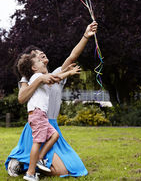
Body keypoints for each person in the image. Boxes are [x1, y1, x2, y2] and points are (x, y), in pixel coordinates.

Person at [5, 21, 98, 177]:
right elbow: (21, 98)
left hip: (52, 128)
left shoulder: (56, 75)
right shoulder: (29, 78)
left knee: (74, 168)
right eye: (36, 53)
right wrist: (38, 80)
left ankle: (32, 164)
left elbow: (73, 55)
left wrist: (86, 35)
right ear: (33, 64)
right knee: (59, 170)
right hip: (36, 126)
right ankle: (22, 162)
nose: (40, 53)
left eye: (41, 52)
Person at [17, 53, 81, 181]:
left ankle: (40, 159)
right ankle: (30, 173)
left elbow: (54, 79)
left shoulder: (38, 76)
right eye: (39, 62)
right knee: (37, 142)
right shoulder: (38, 76)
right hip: (37, 114)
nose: (43, 62)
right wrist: (69, 73)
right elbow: (55, 79)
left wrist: (66, 72)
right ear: (34, 68)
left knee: (54, 135)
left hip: (41, 116)